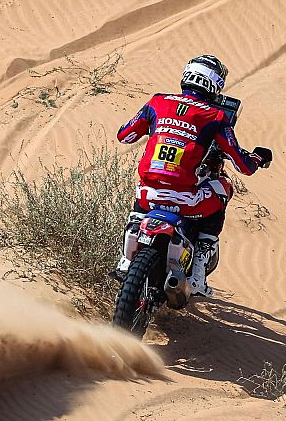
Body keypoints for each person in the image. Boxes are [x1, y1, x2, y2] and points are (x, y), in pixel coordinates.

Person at [115, 54, 272, 296]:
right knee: (224, 188)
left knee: (142, 194)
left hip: (148, 195)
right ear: (216, 85)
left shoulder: (157, 103)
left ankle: (126, 258)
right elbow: (243, 166)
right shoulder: (216, 117)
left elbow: (124, 136)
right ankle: (198, 269)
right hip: (186, 200)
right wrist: (258, 158)